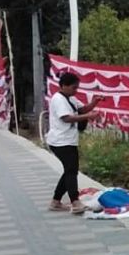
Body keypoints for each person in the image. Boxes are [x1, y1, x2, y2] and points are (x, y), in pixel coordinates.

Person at [45, 72, 100, 214]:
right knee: (71, 171)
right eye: (74, 88)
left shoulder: (71, 98)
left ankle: (56, 201)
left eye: (77, 88)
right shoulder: (58, 99)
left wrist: (94, 102)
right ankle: (75, 202)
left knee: (70, 170)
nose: (76, 90)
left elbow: (81, 109)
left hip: (68, 140)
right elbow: (67, 118)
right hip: (61, 141)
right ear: (64, 86)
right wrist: (88, 116)